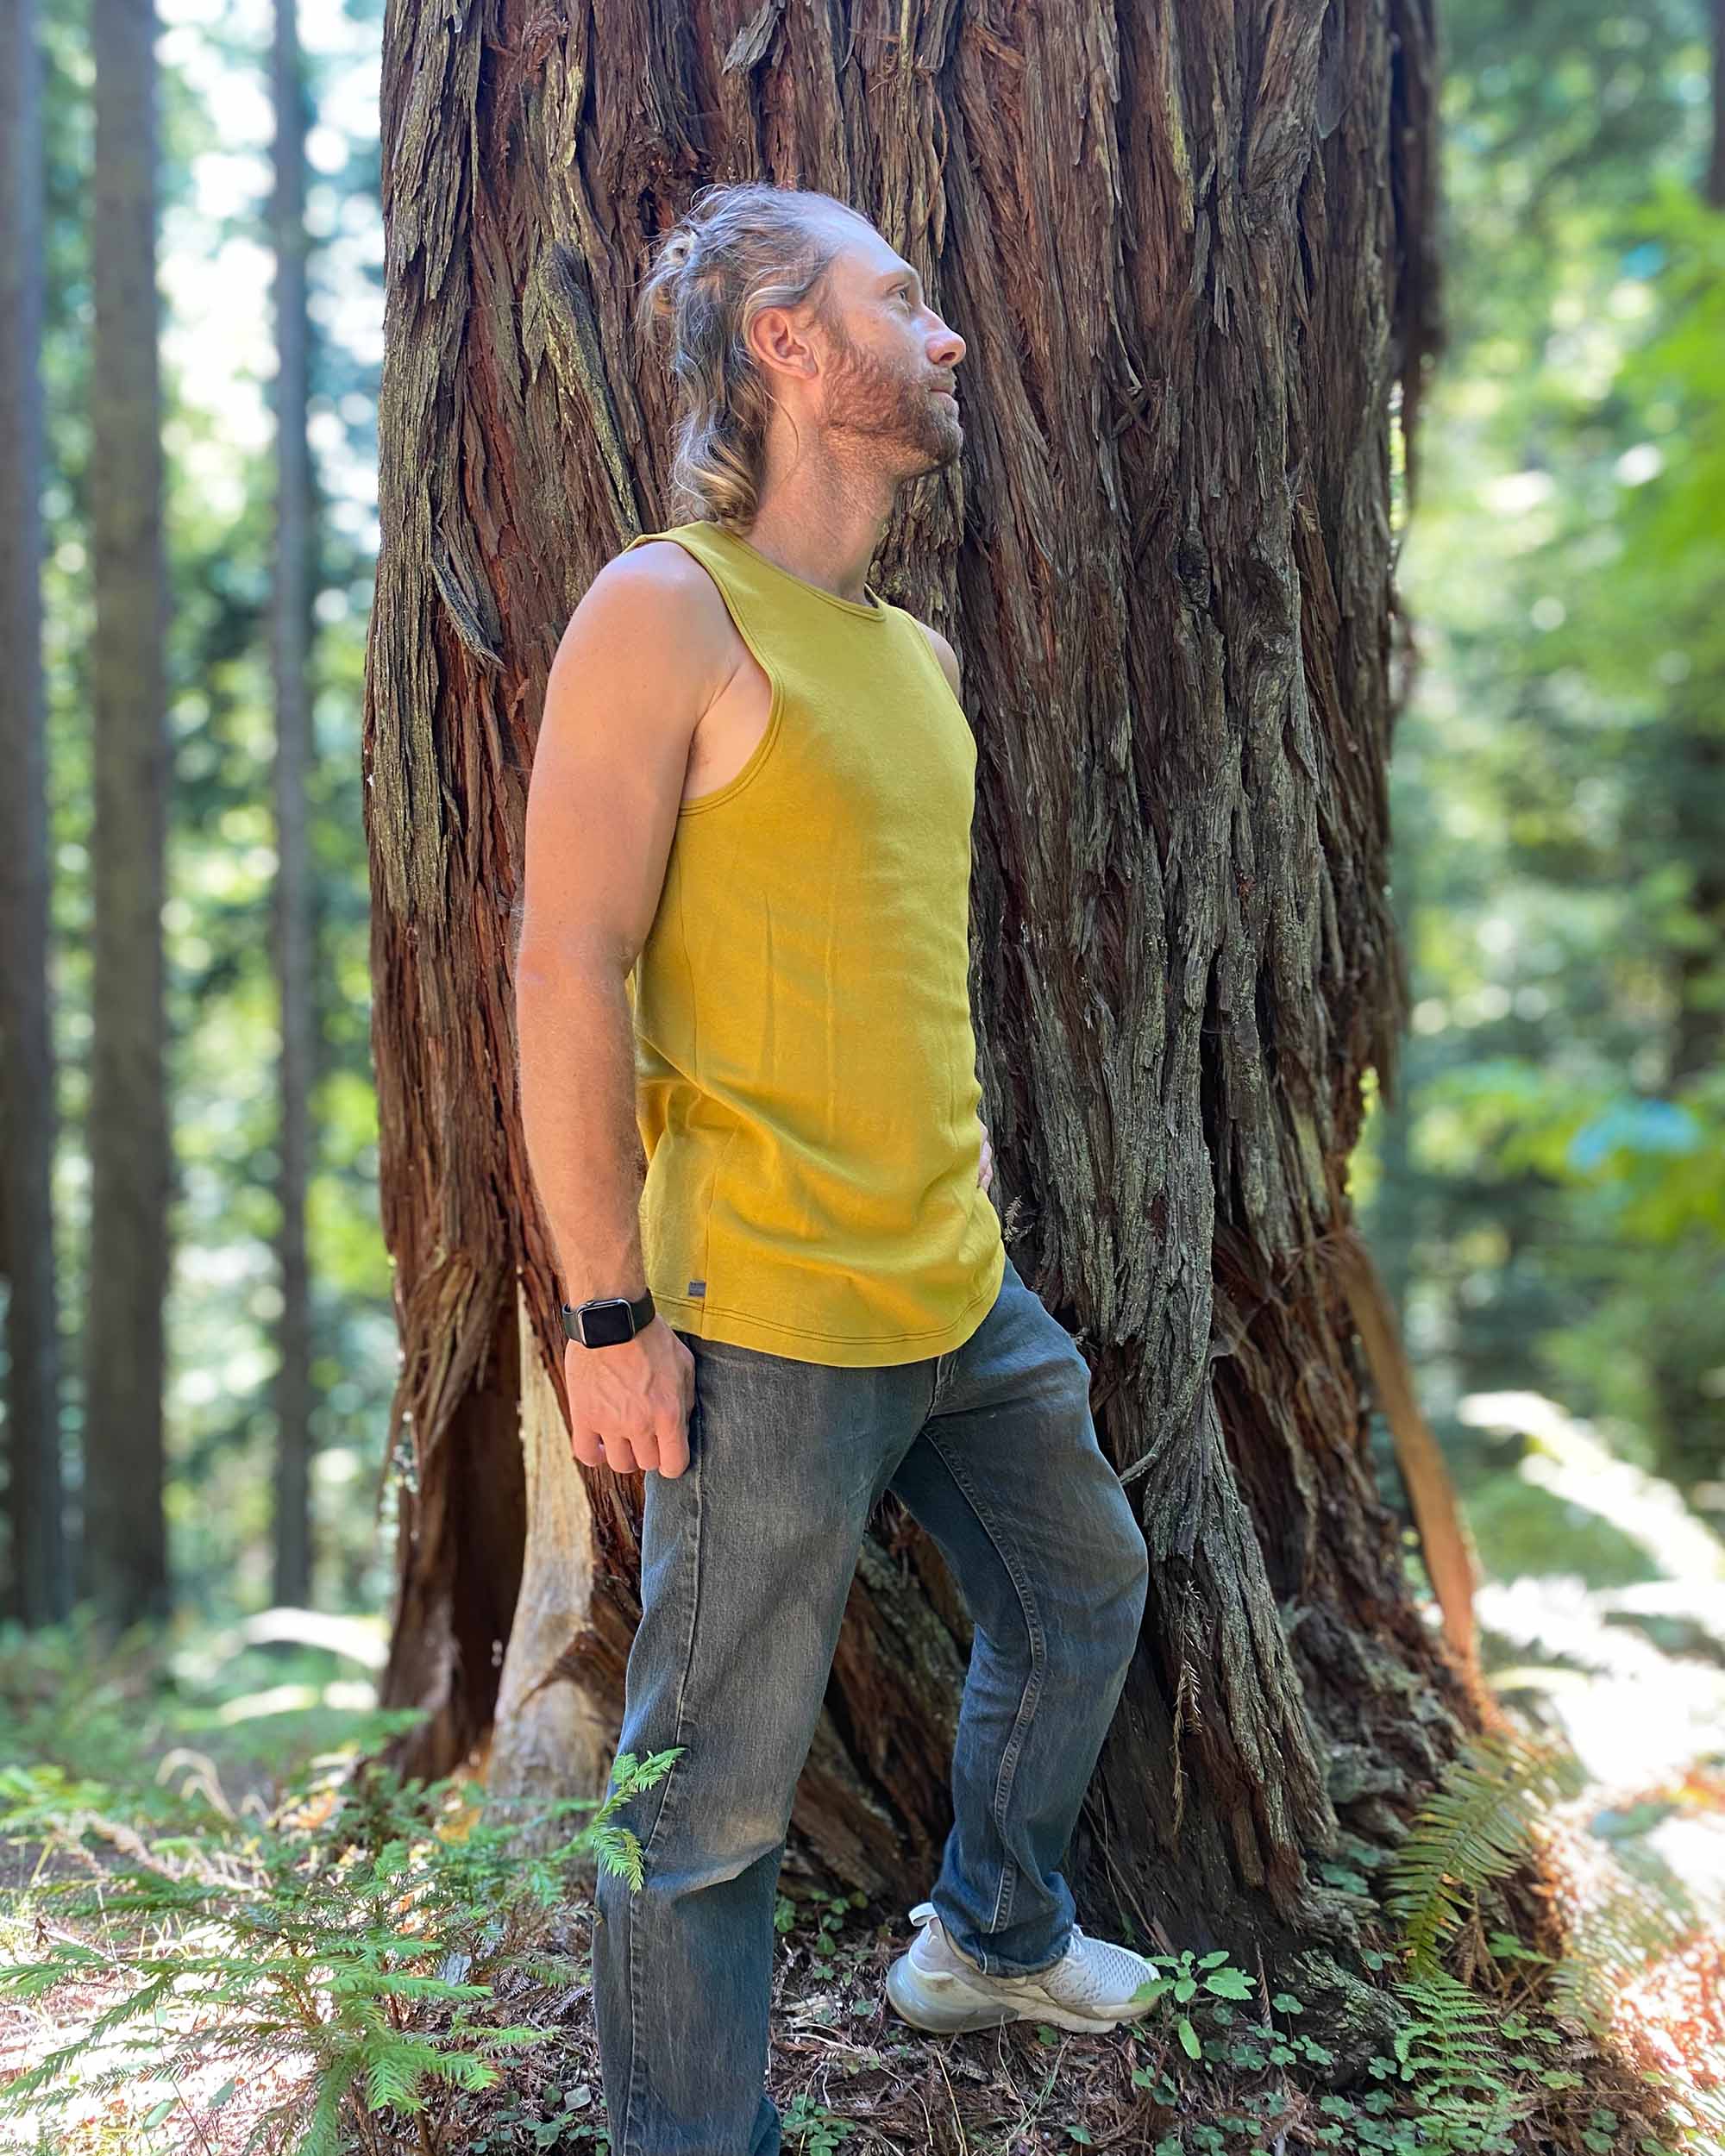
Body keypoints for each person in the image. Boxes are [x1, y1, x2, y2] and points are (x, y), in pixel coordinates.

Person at [515, 179, 1156, 2156]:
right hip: (768, 1313)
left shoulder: (920, 661)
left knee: (1084, 1592)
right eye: (902, 296)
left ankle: (989, 1926)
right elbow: (564, 961)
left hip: (956, 1287)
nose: (946, 331)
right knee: (703, 1804)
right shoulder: (666, 606)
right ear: (787, 344)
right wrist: (607, 1310)